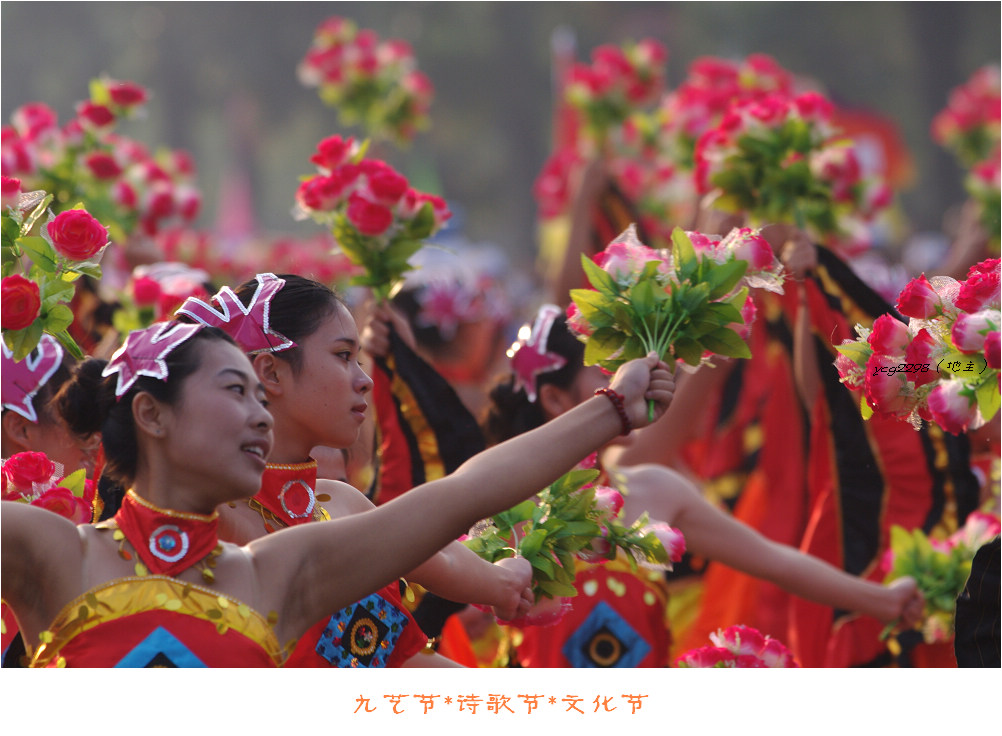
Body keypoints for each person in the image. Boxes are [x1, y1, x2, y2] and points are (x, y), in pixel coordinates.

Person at [0, 314, 675, 667]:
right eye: (235, 391)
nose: (261, 417)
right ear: (152, 414)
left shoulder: (276, 574)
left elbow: (467, 494)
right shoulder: (52, 555)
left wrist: (614, 409)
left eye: (260, 396)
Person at [481, 304, 925, 667]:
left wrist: (882, 600)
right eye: (606, 373)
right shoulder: (504, 504)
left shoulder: (656, 490)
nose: (629, 381)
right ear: (555, 398)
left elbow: (777, 562)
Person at [176, 273, 537, 667]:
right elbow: (467, 492)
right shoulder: (212, 517)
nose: (363, 381)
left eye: (358, 360)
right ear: (271, 372)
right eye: (343, 355)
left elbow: (402, 652)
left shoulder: (340, 503)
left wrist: (507, 579)